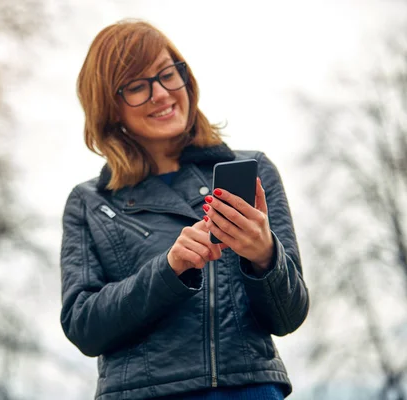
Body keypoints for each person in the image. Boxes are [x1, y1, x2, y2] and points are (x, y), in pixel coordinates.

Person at [60, 19, 309, 400]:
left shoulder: (255, 170)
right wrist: (169, 269)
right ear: (109, 108)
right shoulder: (91, 202)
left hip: (250, 391)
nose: (160, 94)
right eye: (138, 86)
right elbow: (84, 326)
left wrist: (263, 256)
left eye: (167, 75)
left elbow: (289, 315)